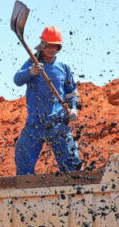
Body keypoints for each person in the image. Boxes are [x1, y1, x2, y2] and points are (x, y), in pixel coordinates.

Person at [13, 26, 82, 176]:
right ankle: (25, 194)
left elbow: (71, 93)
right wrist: (31, 71)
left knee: (72, 164)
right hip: (35, 124)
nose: (52, 49)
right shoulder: (32, 62)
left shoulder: (63, 68)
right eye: (49, 45)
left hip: (58, 124)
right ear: (43, 45)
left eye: (55, 46)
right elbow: (17, 79)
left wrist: (74, 108)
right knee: (23, 159)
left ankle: (74, 194)